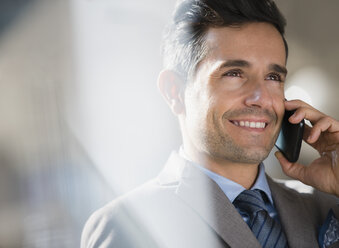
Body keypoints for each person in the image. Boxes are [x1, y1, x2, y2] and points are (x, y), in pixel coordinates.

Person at [81, 0, 339, 247]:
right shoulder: (127, 225)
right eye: (234, 73)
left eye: (273, 76)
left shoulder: (325, 203)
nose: (261, 98)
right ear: (174, 91)